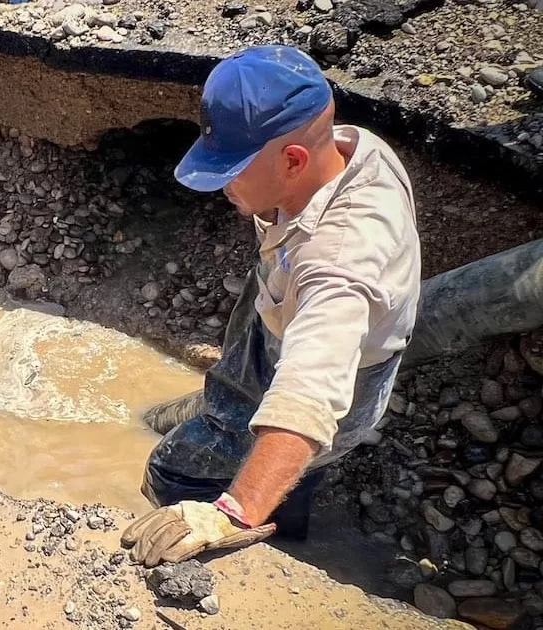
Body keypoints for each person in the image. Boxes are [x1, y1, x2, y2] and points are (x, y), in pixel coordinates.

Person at [120, 45, 422, 566]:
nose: (221, 185)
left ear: (293, 160)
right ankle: (285, 508)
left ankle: (255, 558)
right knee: (235, 419)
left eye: (233, 169)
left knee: (175, 471)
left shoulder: (340, 260)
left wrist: (232, 513)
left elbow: (308, 396)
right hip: (277, 317)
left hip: (339, 372)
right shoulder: (344, 150)